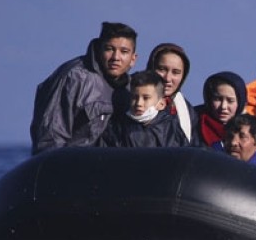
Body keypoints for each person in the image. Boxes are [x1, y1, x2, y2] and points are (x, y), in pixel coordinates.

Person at [30, 21, 137, 154]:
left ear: (133, 59)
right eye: (109, 49)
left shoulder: (132, 88)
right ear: (99, 49)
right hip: (71, 167)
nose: (116, 57)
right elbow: (50, 139)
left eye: (124, 51)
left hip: (107, 167)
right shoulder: (74, 78)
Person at [101, 71, 189, 148]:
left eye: (146, 98)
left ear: (161, 104)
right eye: (134, 97)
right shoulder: (116, 128)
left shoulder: (172, 130)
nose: (139, 103)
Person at [147, 43, 199, 146]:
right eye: (162, 69)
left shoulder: (186, 111)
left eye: (176, 72)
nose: (167, 78)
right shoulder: (131, 98)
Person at [195, 71, 247, 151]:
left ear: (240, 103)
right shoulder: (192, 122)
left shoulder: (250, 129)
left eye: (230, 100)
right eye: (217, 99)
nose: (223, 106)